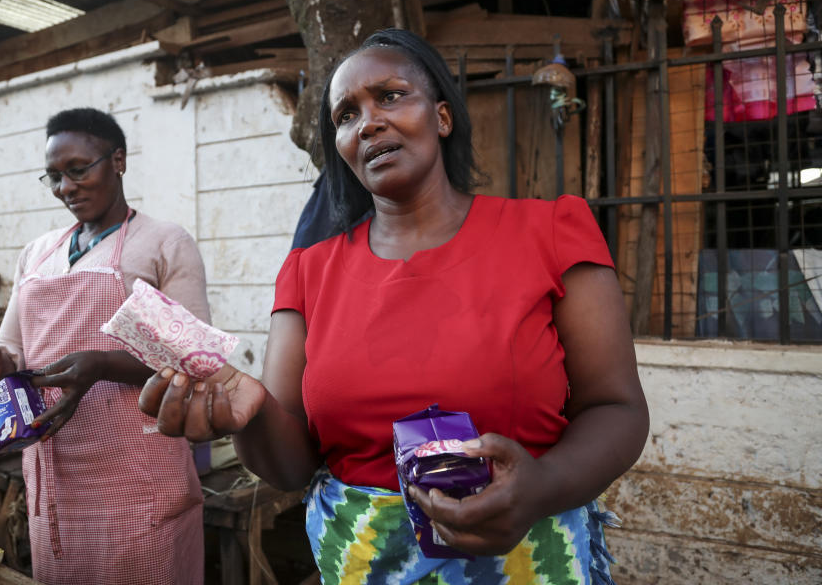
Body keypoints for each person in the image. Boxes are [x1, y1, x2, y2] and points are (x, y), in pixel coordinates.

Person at [139, 29, 649, 584]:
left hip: (533, 560)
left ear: (443, 117)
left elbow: (616, 409)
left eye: (390, 96)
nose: (368, 122)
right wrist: (252, 414)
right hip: (362, 566)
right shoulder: (309, 273)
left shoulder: (550, 234)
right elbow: (290, 465)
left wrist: (542, 487)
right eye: (345, 115)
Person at [0, 108, 208, 585]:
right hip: (56, 469)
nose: (67, 187)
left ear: (119, 160)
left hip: (137, 473)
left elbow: (192, 357)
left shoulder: (162, 242)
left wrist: (103, 364)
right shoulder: (38, 253)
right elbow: (13, 350)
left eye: (80, 169)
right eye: (55, 176)